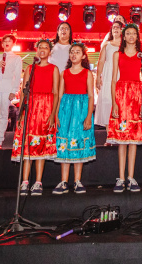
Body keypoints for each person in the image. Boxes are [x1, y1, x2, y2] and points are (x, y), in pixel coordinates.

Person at [12, 39, 59, 196]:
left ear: (50, 52)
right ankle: (25, 181)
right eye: (40, 48)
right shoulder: (30, 68)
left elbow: (56, 93)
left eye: (46, 47)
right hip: (31, 107)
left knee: (42, 146)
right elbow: (24, 91)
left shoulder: (54, 69)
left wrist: (53, 114)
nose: (43, 50)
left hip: (46, 108)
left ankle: (38, 182)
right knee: (28, 146)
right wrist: (21, 114)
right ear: (36, 51)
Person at [53, 43, 96, 194]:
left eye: (77, 52)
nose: (74, 54)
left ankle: (77, 181)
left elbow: (91, 96)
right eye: (72, 52)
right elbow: (58, 95)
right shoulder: (64, 73)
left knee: (78, 143)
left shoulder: (87, 73)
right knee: (64, 143)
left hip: (81, 111)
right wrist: (56, 114)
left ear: (83, 56)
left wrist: (89, 116)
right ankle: (63, 181)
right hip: (66, 111)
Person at [107, 24, 142, 193]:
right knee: (122, 140)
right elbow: (113, 79)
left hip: (136, 95)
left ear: (137, 36)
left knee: (133, 140)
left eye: (133, 33)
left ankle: (131, 177)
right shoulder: (117, 54)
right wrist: (114, 102)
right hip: (122, 94)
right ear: (123, 36)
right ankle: (121, 177)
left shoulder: (141, 55)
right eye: (127, 33)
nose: (130, 36)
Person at [0, 34, 22, 149]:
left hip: (7, 88)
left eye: (9, 41)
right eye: (5, 41)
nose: (7, 43)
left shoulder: (16, 58)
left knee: (4, 114)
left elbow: (17, 75)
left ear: (13, 44)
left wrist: (13, 91)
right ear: (2, 43)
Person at [95, 20, 125, 128]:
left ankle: (119, 133)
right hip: (108, 75)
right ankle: (109, 135)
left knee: (119, 102)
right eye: (113, 27)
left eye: (118, 27)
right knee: (107, 101)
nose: (115, 29)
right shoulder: (107, 44)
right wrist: (98, 77)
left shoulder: (125, 45)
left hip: (121, 75)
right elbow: (101, 61)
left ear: (122, 30)